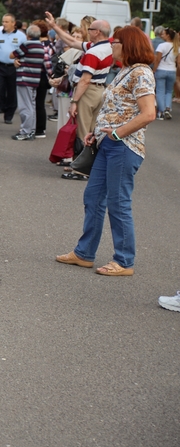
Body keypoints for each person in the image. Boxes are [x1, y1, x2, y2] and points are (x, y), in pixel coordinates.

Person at [55, 26, 157, 276]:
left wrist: (116, 133)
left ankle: (124, 261)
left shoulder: (141, 73)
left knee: (118, 203)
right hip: (107, 143)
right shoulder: (125, 70)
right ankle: (84, 253)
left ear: (129, 45)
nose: (111, 46)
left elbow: (148, 114)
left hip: (124, 147)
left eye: (116, 42)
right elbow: (115, 108)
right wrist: (98, 132)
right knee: (93, 197)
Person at [47, 14, 113, 180]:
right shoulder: (105, 47)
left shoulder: (93, 52)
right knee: (91, 130)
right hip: (98, 91)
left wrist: (75, 101)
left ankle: (81, 170)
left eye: (90, 29)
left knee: (82, 131)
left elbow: (84, 80)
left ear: (97, 32)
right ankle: (90, 168)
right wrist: (55, 27)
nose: (87, 31)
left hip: (87, 92)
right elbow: (72, 42)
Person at [0, 14, 26, 125]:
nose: (4, 24)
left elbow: (25, 52)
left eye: (7, 22)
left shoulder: (21, 36)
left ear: (13, 23)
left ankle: (8, 115)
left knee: (12, 92)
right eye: (3, 21)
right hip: (0, 67)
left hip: (14, 68)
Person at [10, 24, 47, 141]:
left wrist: (17, 59)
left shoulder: (27, 44)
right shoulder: (41, 46)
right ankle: (31, 130)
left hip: (24, 78)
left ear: (28, 35)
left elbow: (12, 55)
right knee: (32, 105)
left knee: (25, 106)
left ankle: (25, 131)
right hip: (34, 79)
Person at [153, 27, 175, 120]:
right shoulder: (177, 46)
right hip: (172, 70)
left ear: (168, 35)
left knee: (160, 91)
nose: (162, 35)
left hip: (161, 70)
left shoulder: (161, 46)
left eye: (163, 34)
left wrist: (154, 70)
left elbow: (158, 59)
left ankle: (160, 112)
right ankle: (167, 108)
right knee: (169, 91)